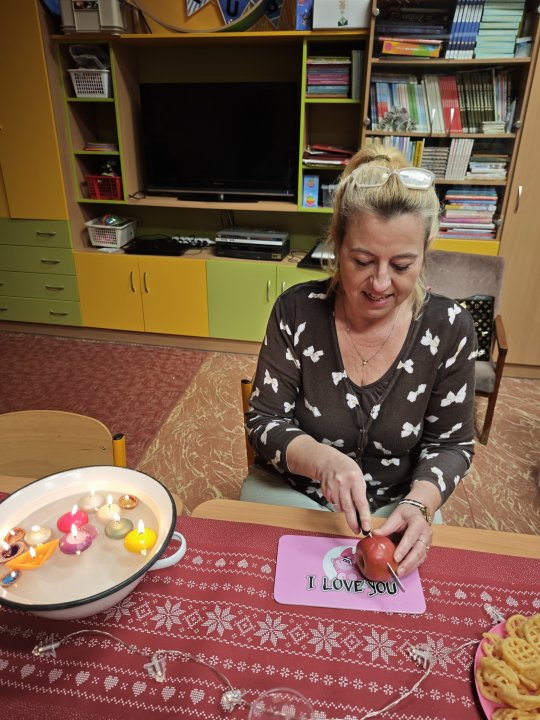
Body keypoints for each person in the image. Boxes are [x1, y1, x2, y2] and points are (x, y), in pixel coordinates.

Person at [243, 143, 477, 576]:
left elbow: (451, 445)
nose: (380, 283)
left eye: (402, 265)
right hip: (293, 491)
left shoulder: (449, 328)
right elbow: (263, 421)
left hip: (398, 505)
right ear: (337, 243)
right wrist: (323, 461)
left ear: (425, 250)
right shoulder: (297, 311)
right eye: (362, 261)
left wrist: (421, 504)